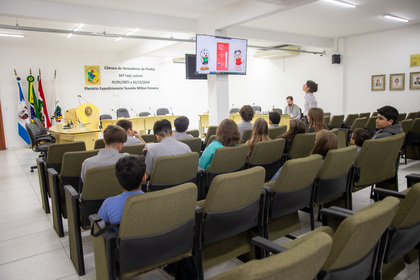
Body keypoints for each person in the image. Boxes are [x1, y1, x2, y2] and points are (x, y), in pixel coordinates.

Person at [97, 155, 147, 225]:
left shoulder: (108, 203)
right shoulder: (153, 202)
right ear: (144, 177)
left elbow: (106, 224)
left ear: (117, 179)